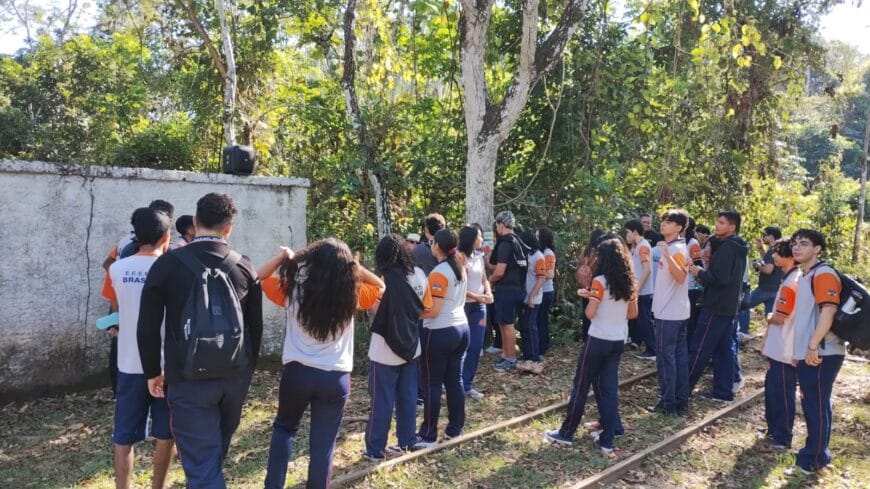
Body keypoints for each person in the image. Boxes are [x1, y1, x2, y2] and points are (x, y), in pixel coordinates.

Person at [137, 193, 263, 488]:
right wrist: (245, 374)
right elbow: (255, 329)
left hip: (187, 379)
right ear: (228, 228)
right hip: (233, 378)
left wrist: (152, 371)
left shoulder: (167, 264)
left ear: (194, 222)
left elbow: (147, 325)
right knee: (212, 457)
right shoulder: (244, 267)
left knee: (203, 466)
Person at [260, 238, 384, 488]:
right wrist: (355, 267)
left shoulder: (293, 291)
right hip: (335, 378)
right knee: (323, 445)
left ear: (312, 262)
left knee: (284, 429)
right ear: (347, 268)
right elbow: (381, 286)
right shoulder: (352, 295)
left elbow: (262, 278)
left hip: (297, 374)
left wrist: (286, 258)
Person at [544, 238, 638, 455]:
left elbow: (590, 313)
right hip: (618, 340)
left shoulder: (600, 281)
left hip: (597, 339)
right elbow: (633, 313)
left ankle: (566, 432)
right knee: (609, 389)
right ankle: (608, 438)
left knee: (581, 385)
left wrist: (591, 298)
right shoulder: (630, 282)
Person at [105, 208, 175, 489]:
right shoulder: (173, 269)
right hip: (165, 365)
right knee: (166, 434)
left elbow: (119, 308)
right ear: (166, 236)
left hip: (129, 363)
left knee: (124, 436)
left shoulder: (117, 269)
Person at [364, 234, 432, 460]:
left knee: (382, 401)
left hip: (384, 348)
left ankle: (375, 449)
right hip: (412, 345)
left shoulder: (383, 280)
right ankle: (407, 440)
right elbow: (424, 309)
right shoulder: (419, 275)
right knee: (408, 396)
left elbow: (376, 311)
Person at [790, 229, 846, 474]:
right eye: (795, 243)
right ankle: (818, 455)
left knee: (815, 405)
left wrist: (812, 345)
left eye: (804, 244)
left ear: (817, 249)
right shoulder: (806, 274)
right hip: (810, 351)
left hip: (822, 352)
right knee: (817, 403)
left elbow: (828, 311)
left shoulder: (823, 274)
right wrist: (799, 351)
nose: (797, 247)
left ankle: (811, 459)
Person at [686, 211, 749, 403]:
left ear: (732, 227)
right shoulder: (736, 246)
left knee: (699, 348)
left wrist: (698, 271)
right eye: (717, 221)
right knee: (723, 349)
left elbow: (720, 279)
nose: (717, 225)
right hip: (728, 306)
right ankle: (723, 392)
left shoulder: (728, 248)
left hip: (716, 305)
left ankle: (682, 389)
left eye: (721, 222)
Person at [417, 229, 470, 448]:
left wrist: (409, 313)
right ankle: (455, 428)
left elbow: (433, 311)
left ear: (437, 246)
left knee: (432, 383)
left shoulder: (439, 273)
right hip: (461, 328)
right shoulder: (459, 266)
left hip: (440, 331)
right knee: (454, 380)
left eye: (432, 243)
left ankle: (428, 434)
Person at [760, 238, 800, 450]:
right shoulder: (790, 278)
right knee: (773, 389)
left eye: (777, 252)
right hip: (779, 346)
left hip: (785, 348)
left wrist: (768, 316)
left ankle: (782, 436)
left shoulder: (792, 282)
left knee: (782, 392)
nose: (773, 256)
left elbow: (780, 317)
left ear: (789, 256)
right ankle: (773, 429)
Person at [650, 210, 691, 416]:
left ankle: (669, 403)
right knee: (678, 357)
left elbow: (681, 277)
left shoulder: (675, 249)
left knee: (666, 358)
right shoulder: (677, 247)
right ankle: (680, 400)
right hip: (675, 311)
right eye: (663, 221)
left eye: (669, 222)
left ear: (679, 227)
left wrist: (666, 253)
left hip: (669, 313)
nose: (663, 224)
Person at [489, 211, 527, 372]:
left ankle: (510, 358)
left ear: (501, 224)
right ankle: (506, 354)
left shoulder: (505, 243)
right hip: (517, 288)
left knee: (507, 324)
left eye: (497, 225)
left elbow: (499, 271)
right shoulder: (517, 240)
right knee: (503, 323)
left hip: (508, 289)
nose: (496, 228)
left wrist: (490, 281)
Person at [458, 225, 493, 399]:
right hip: (464, 306)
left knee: (476, 345)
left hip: (479, 307)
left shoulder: (479, 256)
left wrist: (488, 292)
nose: (481, 239)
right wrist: (477, 297)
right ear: (471, 238)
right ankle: (456, 383)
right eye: (479, 236)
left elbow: (484, 279)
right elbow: (459, 287)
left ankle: (467, 384)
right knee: (461, 346)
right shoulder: (459, 257)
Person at [737, 226, 783, 341]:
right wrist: (761, 249)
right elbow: (769, 261)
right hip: (775, 288)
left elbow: (768, 269)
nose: (762, 237)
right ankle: (773, 338)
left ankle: (743, 332)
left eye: (764, 235)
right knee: (770, 315)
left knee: (744, 305)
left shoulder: (773, 251)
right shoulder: (777, 250)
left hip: (765, 289)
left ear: (771, 237)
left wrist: (757, 265)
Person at [517, 230, 547, 374]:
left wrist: (531, 296)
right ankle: (527, 354)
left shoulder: (538, 257)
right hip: (525, 295)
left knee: (530, 326)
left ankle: (534, 356)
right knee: (524, 326)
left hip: (533, 298)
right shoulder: (527, 255)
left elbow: (542, 278)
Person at [625, 220, 655, 359]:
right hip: (640, 291)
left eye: (628, 232)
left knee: (645, 321)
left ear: (635, 232)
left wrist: (637, 288)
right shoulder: (637, 246)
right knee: (642, 321)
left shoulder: (643, 246)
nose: (626, 235)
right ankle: (649, 348)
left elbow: (647, 269)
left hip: (643, 291)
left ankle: (652, 350)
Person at [575, 230, 605, 341]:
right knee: (597, 312)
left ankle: (585, 337)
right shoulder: (601, 252)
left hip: (584, 286)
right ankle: (595, 337)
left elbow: (579, 265)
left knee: (586, 312)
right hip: (596, 286)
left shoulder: (585, 252)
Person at [537, 227, 557, 356]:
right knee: (539, 319)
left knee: (541, 319)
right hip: (541, 290)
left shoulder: (547, 253)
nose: (535, 239)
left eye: (537, 236)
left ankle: (542, 347)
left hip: (545, 290)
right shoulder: (541, 252)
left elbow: (550, 274)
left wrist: (538, 275)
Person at [685, 218, 705, 343]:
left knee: (690, 321)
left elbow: (698, 265)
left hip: (691, 287)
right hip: (679, 287)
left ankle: (690, 348)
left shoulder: (693, 243)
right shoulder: (678, 241)